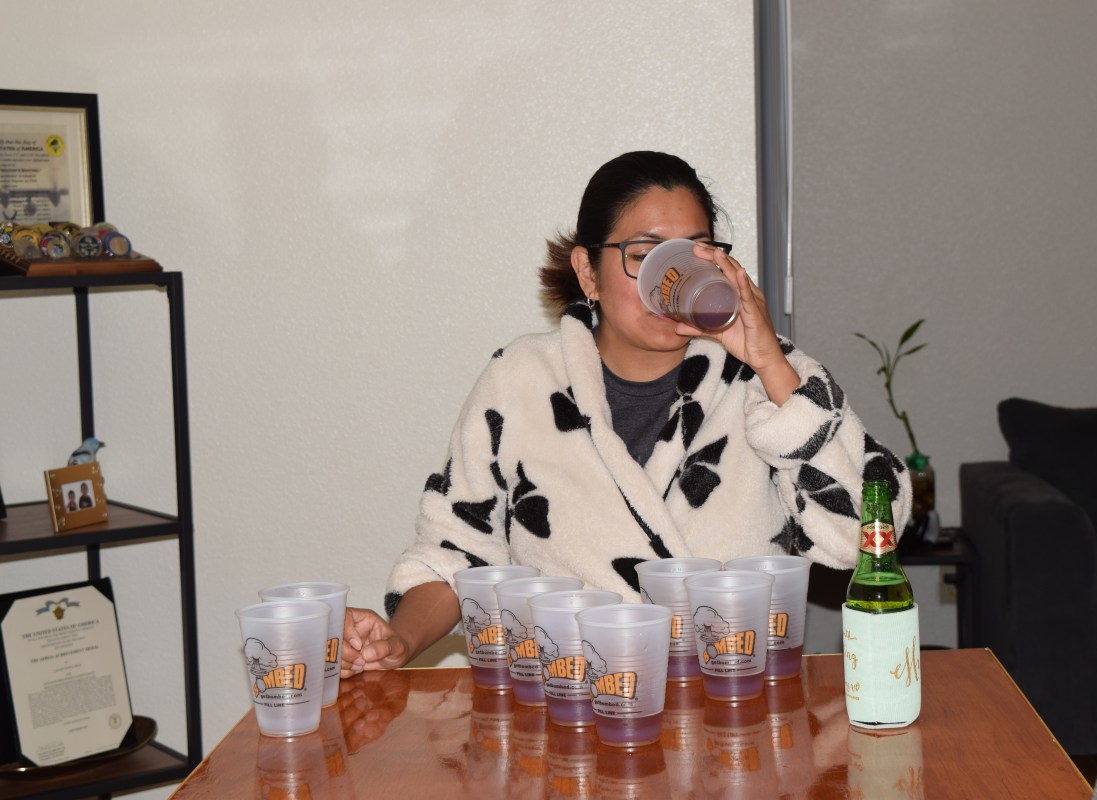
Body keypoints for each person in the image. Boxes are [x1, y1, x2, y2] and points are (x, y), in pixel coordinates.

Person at [342, 151, 911, 676]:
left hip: (733, 714)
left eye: (694, 255)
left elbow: (860, 537)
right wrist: (400, 640)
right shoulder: (520, 381)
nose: (673, 282)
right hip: (568, 713)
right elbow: (456, 551)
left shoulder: (766, 379)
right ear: (588, 271)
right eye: (645, 256)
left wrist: (770, 365)